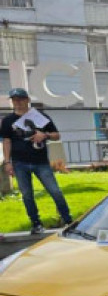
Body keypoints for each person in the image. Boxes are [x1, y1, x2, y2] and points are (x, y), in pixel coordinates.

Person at [1, 88, 72, 234]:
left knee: (55, 191)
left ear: (27, 100)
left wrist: (44, 135)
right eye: (14, 100)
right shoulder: (8, 121)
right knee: (27, 195)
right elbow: (7, 141)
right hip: (19, 163)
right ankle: (36, 223)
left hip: (41, 162)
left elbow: (57, 135)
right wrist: (7, 162)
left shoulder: (40, 116)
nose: (18, 102)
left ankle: (68, 219)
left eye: (20, 99)